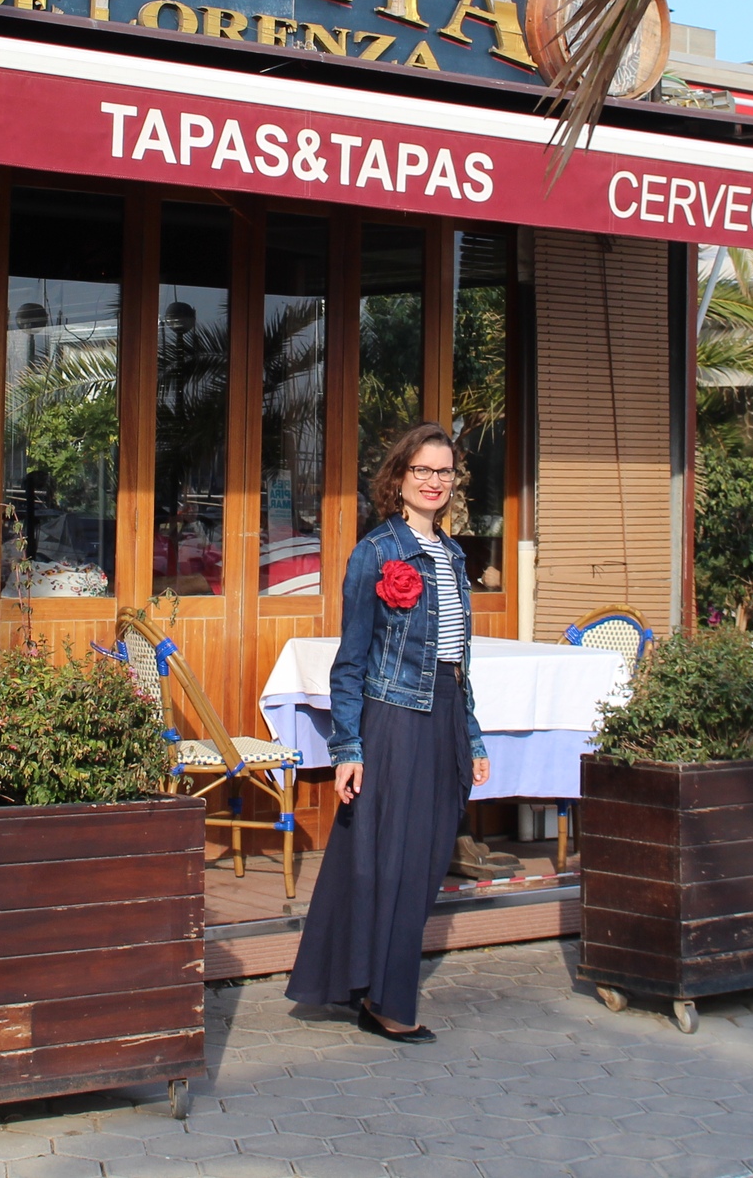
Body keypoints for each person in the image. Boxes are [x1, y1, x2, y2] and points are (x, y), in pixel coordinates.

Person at [284, 423, 491, 1043]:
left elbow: (458, 660)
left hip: (445, 715)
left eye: (444, 471)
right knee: (389, 860)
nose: (434, 482)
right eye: (422, 470)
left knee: (425, 861)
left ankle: (366, 982)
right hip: (394, 719)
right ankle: (386, 1000)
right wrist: (348, 748)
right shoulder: (375, 552)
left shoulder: (453, 554)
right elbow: (350, 660)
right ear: (399, 478)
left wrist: (473, 736)